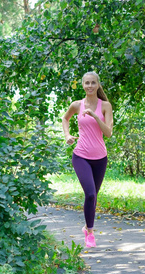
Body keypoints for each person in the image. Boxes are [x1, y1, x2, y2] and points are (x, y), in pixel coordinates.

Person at [62, 71, 113, 248]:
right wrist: (67, 134)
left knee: (93, 196)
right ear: (83, 85)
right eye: (87, 83)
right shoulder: (77, 105)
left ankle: (86, 227)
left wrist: (95, 116)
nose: (90, 86)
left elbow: (108, 133)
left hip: (100, 158)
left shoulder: (105, 105)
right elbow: (65, 118)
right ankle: (90, 232)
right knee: (90, 193)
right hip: (81, 155)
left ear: (98, 85)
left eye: (93, 83)